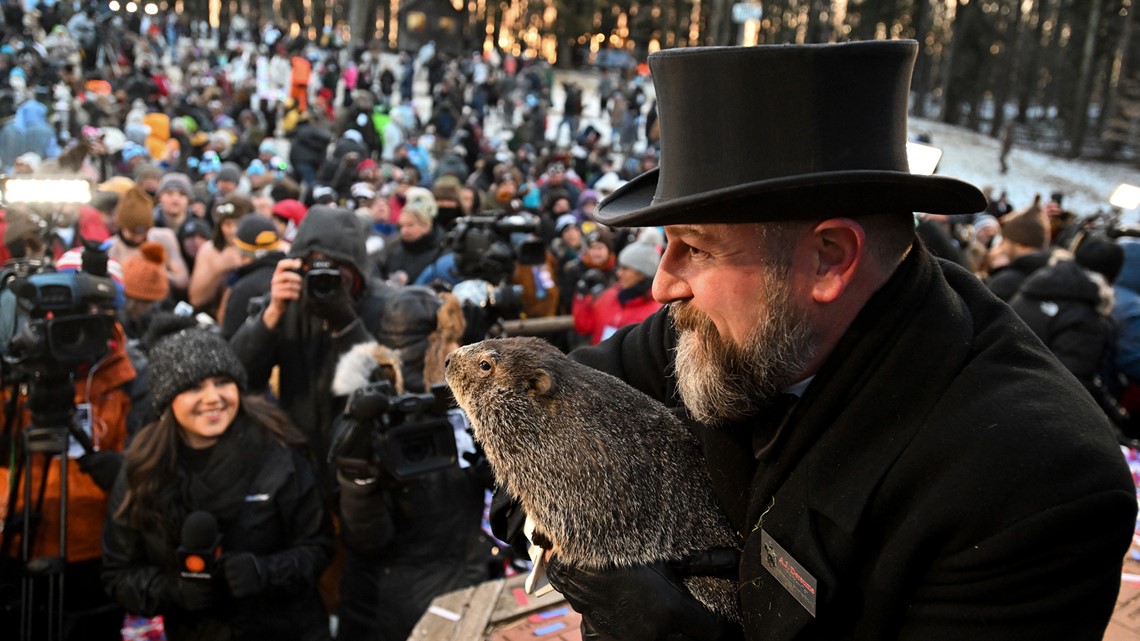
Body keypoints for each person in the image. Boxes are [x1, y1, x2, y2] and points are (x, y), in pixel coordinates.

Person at [494, 41, 1137, 640]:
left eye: (696, 248)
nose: (663, 285)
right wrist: (529, 488)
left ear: (829, 259)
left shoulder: (1035, 482)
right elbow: (578, 392)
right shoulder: (723, 323)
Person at [101, 327, 335, 640]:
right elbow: (119, 574)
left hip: (287, 629)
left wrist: (265, 572)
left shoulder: (278, 450)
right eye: (194, 387)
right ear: (167, 399)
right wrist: (175, 591)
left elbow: (318, 546)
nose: (213, 398)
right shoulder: (143, 469)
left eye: (223, 382)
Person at [572, 241, 662, 346]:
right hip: (600, 360)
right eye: (619, 267)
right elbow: (584, 326)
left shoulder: (655, 311)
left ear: (642, 273)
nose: (619, 273)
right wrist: (581, 297)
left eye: (625, 269)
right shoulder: (608, 296)